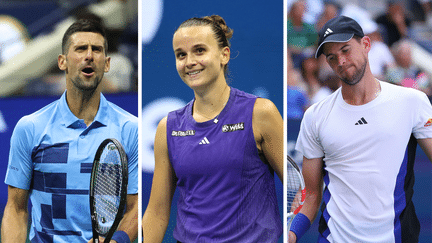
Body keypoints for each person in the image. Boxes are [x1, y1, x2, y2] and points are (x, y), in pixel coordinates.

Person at [289, 15, 432, 242]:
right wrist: (292, 232)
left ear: (366, 45)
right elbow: (311, 194)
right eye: (332, 57)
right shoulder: (315, 116)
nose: (341, 61)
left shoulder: (412, 102)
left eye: (346, 50)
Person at [142, 15, 283, 242]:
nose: (189, 61)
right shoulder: (167, 127)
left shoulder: (261, 113)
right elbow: (157, 213)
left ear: (224, 55)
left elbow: (296, 189)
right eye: (181, 54)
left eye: (199, 50)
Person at [1, 19, 138, 243]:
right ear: (62, 62)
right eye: (81, 49)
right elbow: (16, 209)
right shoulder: (30, 127)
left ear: (107, 63)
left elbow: (135, 207)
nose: (89, 56)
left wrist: (116, 241)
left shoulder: (130, 129)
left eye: (97, 50)